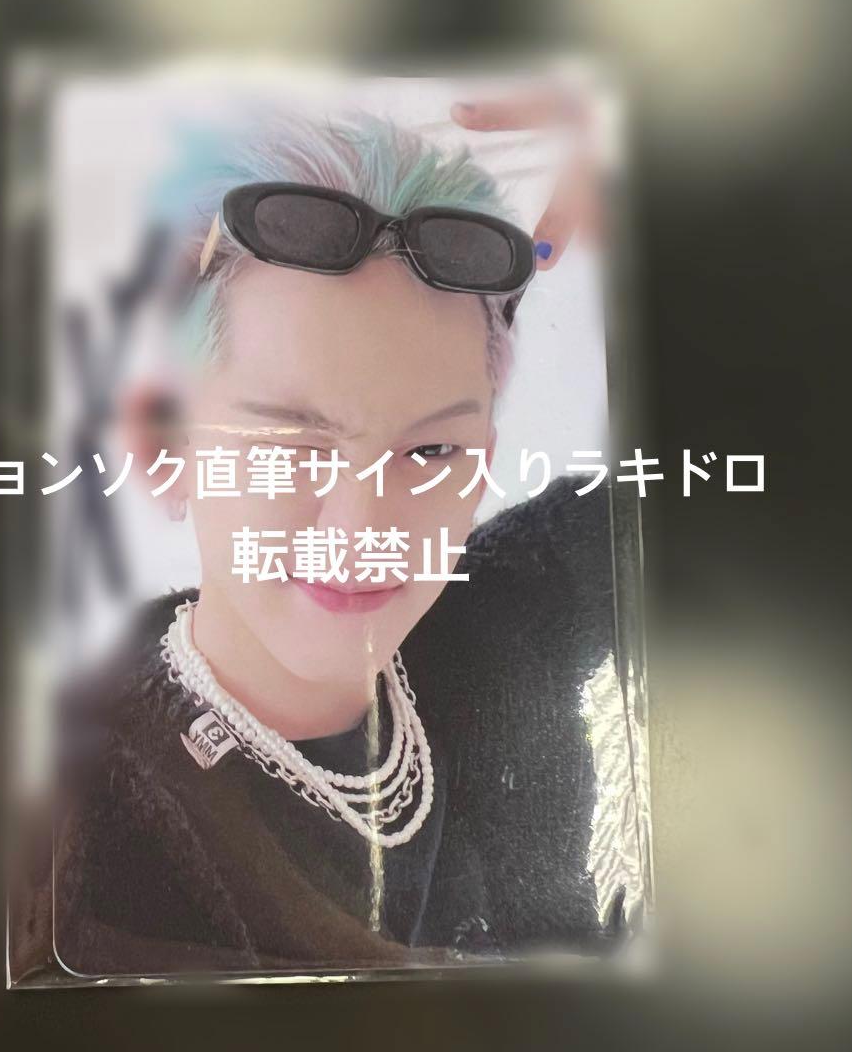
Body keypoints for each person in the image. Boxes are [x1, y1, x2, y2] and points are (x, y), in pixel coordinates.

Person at [46, 103, 624, 977]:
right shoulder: (80, 827)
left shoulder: (506, 614)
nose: (362, 530)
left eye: (429, 451)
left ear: (482, 461)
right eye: (293, 448)